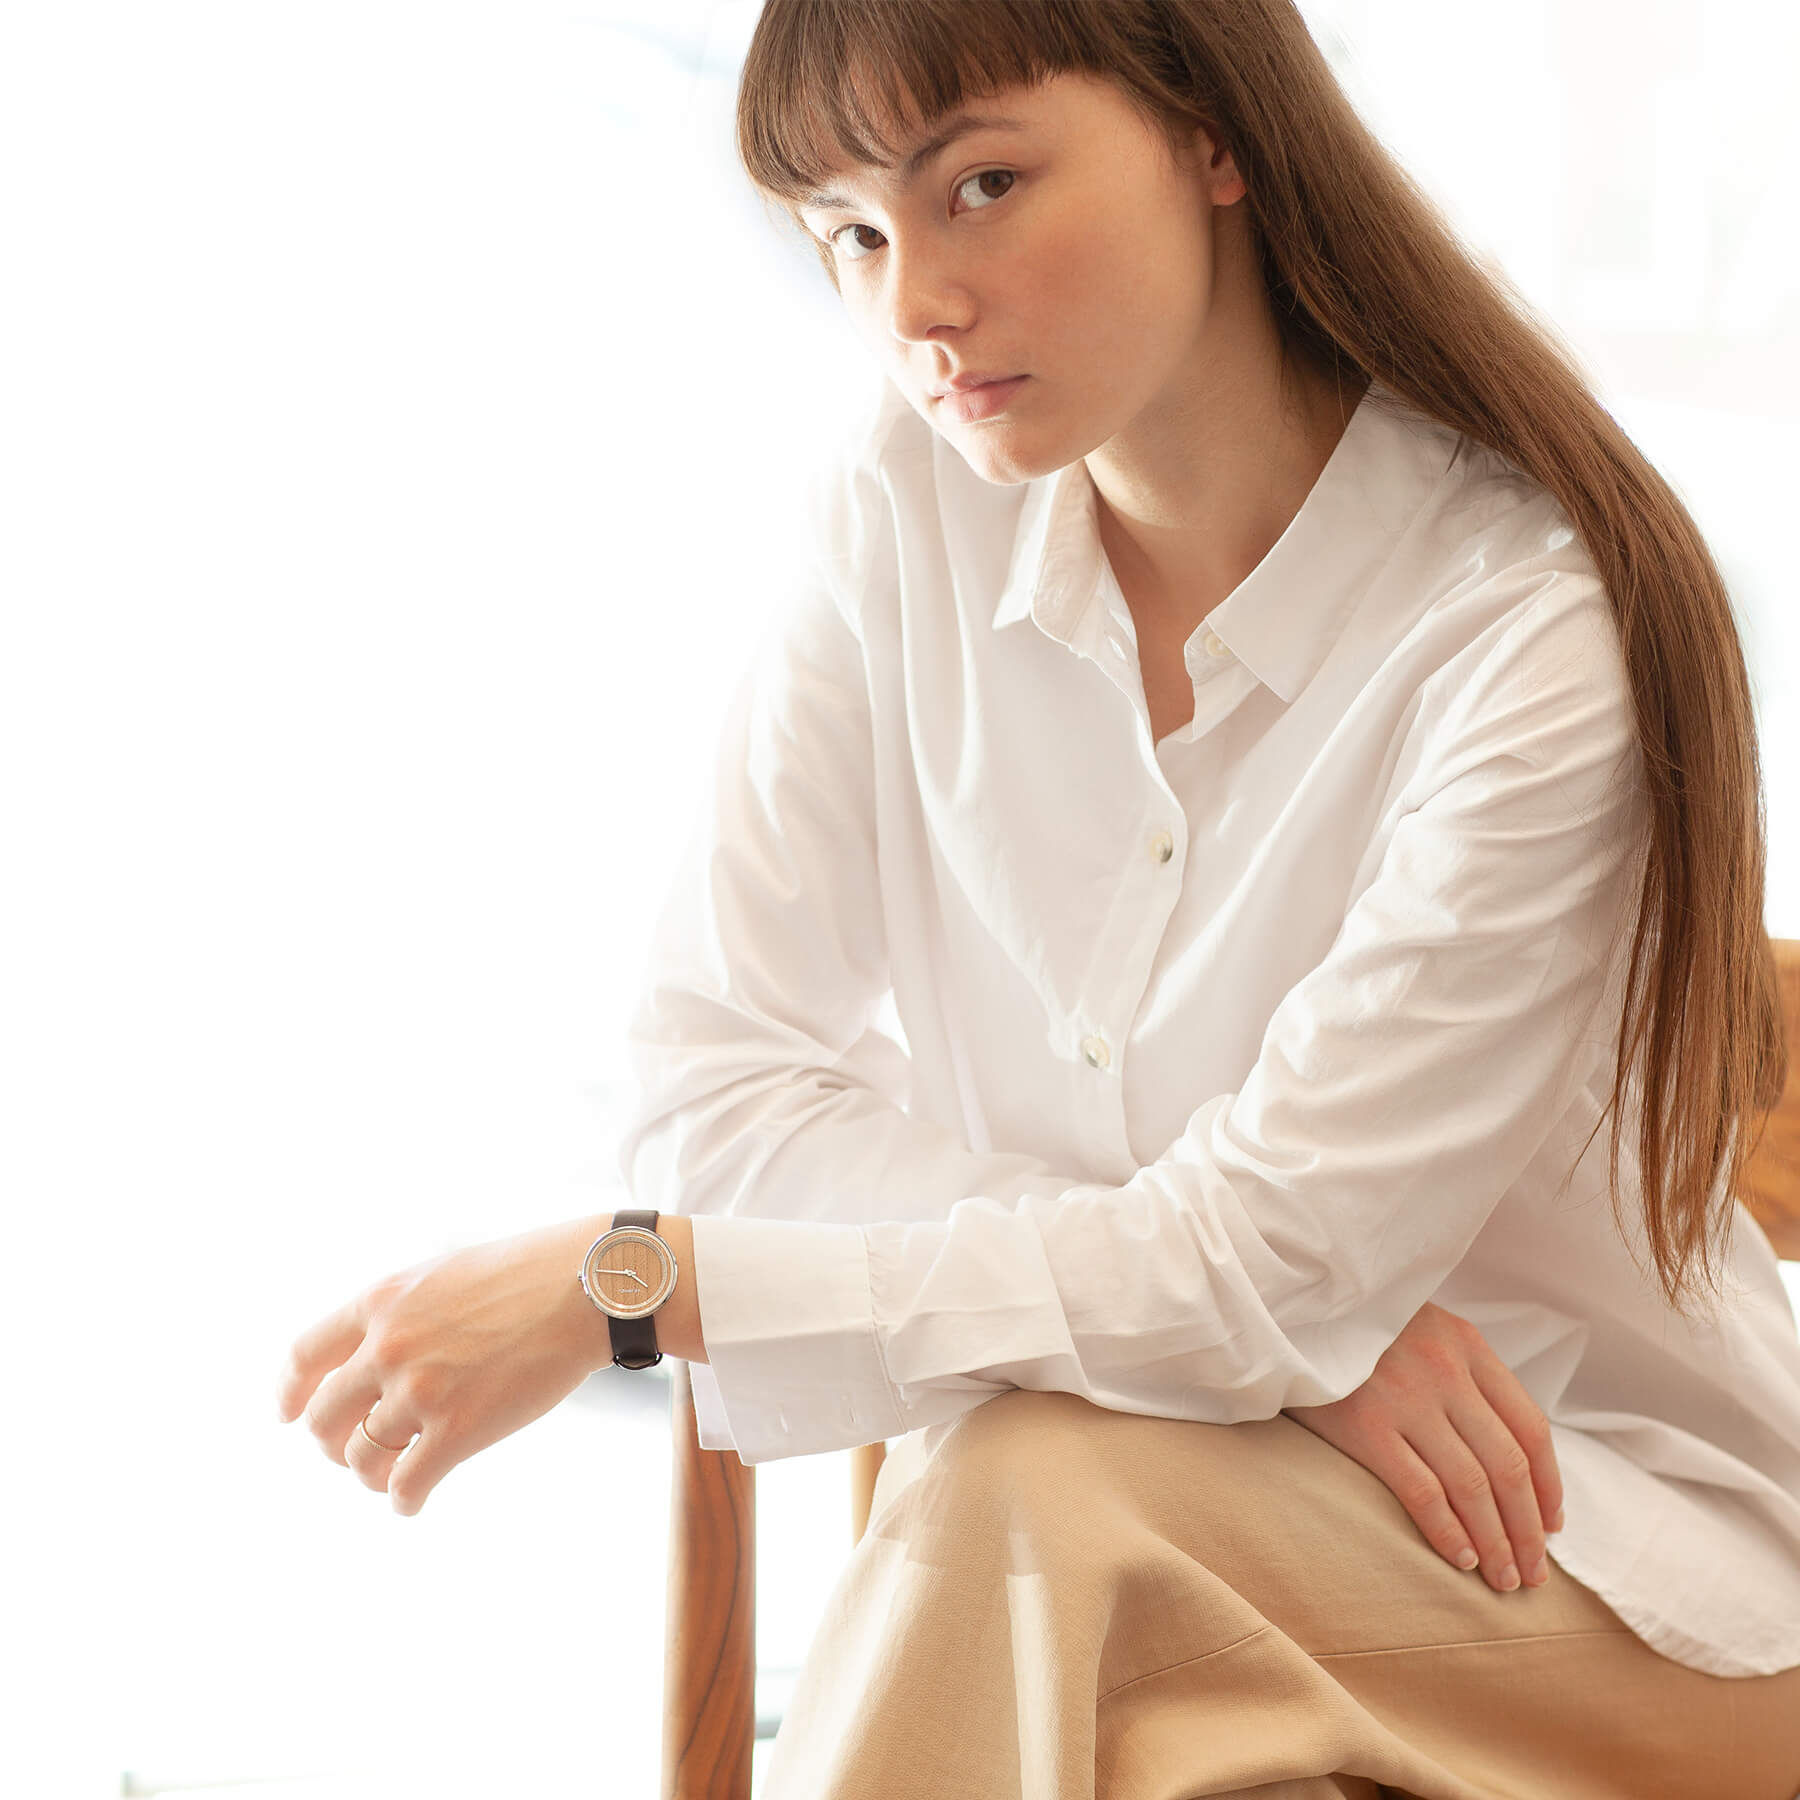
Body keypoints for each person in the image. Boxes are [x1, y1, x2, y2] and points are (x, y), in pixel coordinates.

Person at [276, 2, 1800, 1795]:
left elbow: (1242, 1274)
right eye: (850, 232)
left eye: (980, 185)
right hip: (1162, 1565)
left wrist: (643, 1294)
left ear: (1215, 134)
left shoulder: (1525, 632)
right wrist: (1276, 1336)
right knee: (1062, 1527)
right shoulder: (907, 509)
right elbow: (715, 1094)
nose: (911, 303)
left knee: (1030, 1497)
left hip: (1610, 1582)